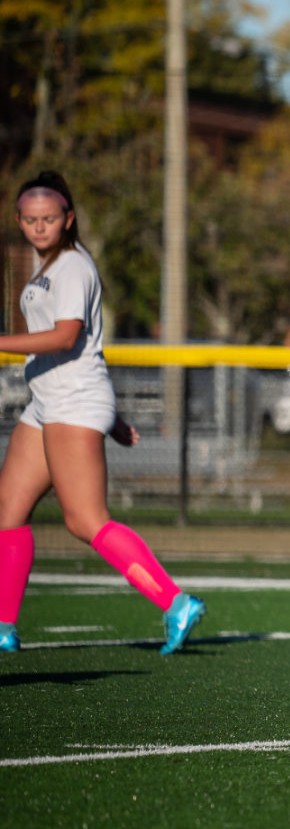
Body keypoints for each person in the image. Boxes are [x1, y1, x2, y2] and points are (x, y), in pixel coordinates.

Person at [0, 172, 206, 655]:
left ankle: (174, 601)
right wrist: (110, 418)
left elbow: (68, 337)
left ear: (68, 218)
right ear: (18, 221)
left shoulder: (71, 266)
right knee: (7, 514)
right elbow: (85, 347)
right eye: (30, 220)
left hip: (71, 403)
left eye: (49, 219)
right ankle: (3, 626)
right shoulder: (46, 266)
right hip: (49, 402)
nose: (39, 227)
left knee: (85, 520)